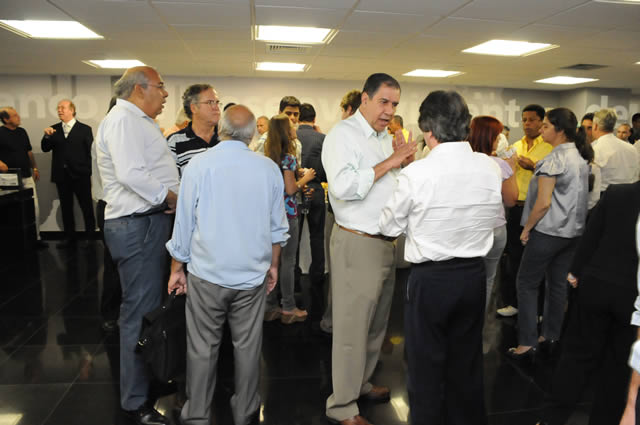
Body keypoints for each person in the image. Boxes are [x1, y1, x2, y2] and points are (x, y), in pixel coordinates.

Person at [380, 90, 503, 425]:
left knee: (425, 364)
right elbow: (493, 219)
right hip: (473, 275)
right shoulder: (489, 168)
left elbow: (388, 226)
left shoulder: (417, 173)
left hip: (431, 279)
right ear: (465, 125)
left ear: (427, 129)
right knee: (466, 362)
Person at [166, 105, 289, 425]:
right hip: (251, 275)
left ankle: (197, 413)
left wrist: (176, 268)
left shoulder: (198, 165)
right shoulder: (268, 169)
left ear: (220, 130)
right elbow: (278, 227)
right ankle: (246, 410)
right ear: (252, 134)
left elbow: (184, 223)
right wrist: (274, 266)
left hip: (207, 274)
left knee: (202, 347)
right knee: (248, 346)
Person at [322, 73, 416, 425]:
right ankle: (342, 406)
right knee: (351, 329)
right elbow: (344, 187)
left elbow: (389, 186)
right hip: (358, 242)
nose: (389, 110)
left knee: (376, 324)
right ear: (365, 99)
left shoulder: (383, 139)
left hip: (384, 243)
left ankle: (360, 383)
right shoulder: (343, 135)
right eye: (383, 102)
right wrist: (392, 161)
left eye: (395, 104)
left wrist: (401, 162)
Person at [96, 66, 179, 425]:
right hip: (138, 224)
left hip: (147, 222)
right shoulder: (123, 120)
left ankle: (148, 379)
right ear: (140, 88)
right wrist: (171, 197)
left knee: (150, 310)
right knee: (137, 312)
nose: (165, 94)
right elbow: (131, 174)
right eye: (161, 87)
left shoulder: (137, 120)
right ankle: (134, 400)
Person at [537, 181, 640, 425]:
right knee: (618, 367)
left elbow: (591, 236)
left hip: (597, 286)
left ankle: (551, 419)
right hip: (631, 296)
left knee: (576, 357)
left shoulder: (616, 193)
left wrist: (575, 271)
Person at [507, 108, 591, 360]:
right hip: (572, 233)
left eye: (545, 126)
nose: (541, 130)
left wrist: (527, 228)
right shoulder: (580, 158)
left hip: (549, 231)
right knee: (557, 285)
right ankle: (551, 335)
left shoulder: (554, 160)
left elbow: (543, 203)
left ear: (560, 130)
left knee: (526, 283)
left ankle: (527, 342)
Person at [498, 104, 552, 318]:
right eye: (524, 120)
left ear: (541, 122)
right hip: (515, 208)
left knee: (537, 260)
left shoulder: (549, 147)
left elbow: (556, 175)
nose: (527, 124)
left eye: (532, 120)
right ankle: (514, 303)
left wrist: (533, 166)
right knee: (514, 258)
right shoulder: (515, 146)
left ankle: (538, 309)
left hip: (538, 209)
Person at [263, 114, 316, 323]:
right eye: (291, 125)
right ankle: (288, 306)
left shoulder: (268, 158)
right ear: (285, 132)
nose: (295, 127)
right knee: (288, 262)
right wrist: (306, 178)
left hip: (271, 214)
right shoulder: (289, 158)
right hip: (288, 215)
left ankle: (270, 305)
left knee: (272, 261)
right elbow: (291, 189)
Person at [468, 116, 518, 309]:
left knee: (466, 277)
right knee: (488, 278)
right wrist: (512, 168)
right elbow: (511, 199)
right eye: (497, 136)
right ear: (490, 138)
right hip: (495, 228)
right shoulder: (499, 164)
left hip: (469, 227)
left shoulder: (463, 162)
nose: (499, 140)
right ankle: (478, 322)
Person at [41, 99, 95, 248]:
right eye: (58, 108)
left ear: (72, 110)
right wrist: (46, 136)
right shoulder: (53, 129)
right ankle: (69, 237)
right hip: (62, 176)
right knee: (66, 208)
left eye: (62, 107)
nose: (59, 110)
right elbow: (45, 148)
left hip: (81, 175)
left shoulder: (85, 129)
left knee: (86, 206)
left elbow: (91, 152)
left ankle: (90, 237)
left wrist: (88, 171)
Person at [296, 103, 328, 320]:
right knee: (317, 236)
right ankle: (317, 274)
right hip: (316, 189)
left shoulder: (292, 136)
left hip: (296, 190)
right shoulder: (322, 138)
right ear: (314, 119)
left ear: (299, 117)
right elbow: (325, 169)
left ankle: (294, 276)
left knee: (294, 238)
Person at [0, 106, 47, 248]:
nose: (18, 117)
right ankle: (13, 241)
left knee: (33, 207)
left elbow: (28, 152)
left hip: (26, 175)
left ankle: (36, 238)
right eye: (14, 115)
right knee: (11, 209)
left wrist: (35, 167)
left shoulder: (22, 132)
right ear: (6, 119)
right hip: (8, 179)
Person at [167, 84, 221, 176]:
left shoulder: (228, 139)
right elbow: (171, 180)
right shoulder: (174, 142)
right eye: (210, 102)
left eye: (217, 102)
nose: (216, 107)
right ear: (193, 108)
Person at [592, 108, 639, 193]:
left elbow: (592, 181)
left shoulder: (595, 149)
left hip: (603, 197)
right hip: (629, 196)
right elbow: (636, 175)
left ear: (595, 126)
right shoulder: (632, 149)